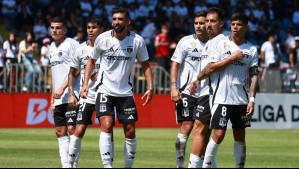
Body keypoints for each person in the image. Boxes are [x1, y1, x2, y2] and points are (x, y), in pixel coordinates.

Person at [81, 7, 154, 168]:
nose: (117, 22)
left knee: (130, 131)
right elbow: (91, 61)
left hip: (125, 92)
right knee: (106, 125)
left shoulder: (137, 41)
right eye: (114, 19)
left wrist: (150, 86)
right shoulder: (102, 39)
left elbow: (145, 65)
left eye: (120, 19)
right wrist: (85, 84)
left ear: (128, 22)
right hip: (104, 90)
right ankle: (108, 166)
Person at [193, 13, 259, 168]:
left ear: (246, 27)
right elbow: (210, 68)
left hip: (241, 100)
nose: (235, 27)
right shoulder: (221, 44)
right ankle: (206, 165)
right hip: (221, 98)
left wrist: (252, 99)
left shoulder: (252, 49)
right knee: (218, 134)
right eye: (233, 24)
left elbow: (254, 75)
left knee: (240, 137)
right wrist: (232, 58)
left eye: (239, 25)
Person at [188, 7, 243, 168]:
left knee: (200, 129)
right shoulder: (210, 43)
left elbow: (212, 67)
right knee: (201, 131)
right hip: (206, 91)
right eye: (207, 21)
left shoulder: (222, 42)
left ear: (221, 24)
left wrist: (197, 78)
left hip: (212, 93)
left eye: (213, 21)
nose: (208, 25)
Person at [170, 11, 209, 168]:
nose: (198, 26)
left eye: (202, 23)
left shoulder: (216, 43)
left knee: (204, 131)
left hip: (207, 92)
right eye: (196, 23)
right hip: (186, 91)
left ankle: (204, 163)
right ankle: (179, 165)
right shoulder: (185, 42)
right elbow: (175, 64)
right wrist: (173, 87)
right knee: (186, 126)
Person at [67, 16, 106, 168]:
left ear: (102, 30)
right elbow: (71, 73)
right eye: (89, 27)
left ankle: (107, 164)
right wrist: (71, 93)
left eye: (94, 27)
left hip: (105, 94)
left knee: (106, 127)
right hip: (86, 95)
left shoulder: (109, 47)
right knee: (79, 129)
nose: (90, 30)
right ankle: (70, 164)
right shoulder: (80, 49)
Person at [48, 17, 80, 168]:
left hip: (72, 94)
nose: (55, 30)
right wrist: (51, 99)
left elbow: (78, 69)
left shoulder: (72, 44)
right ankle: (66, 166)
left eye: (58, 28)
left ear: (65, 30)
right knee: (60, 131)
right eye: (53, 27)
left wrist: (63, 88)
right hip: (58, 97)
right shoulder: (51, 49)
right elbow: (54, 75)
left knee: (72, 129)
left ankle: (73, 164)